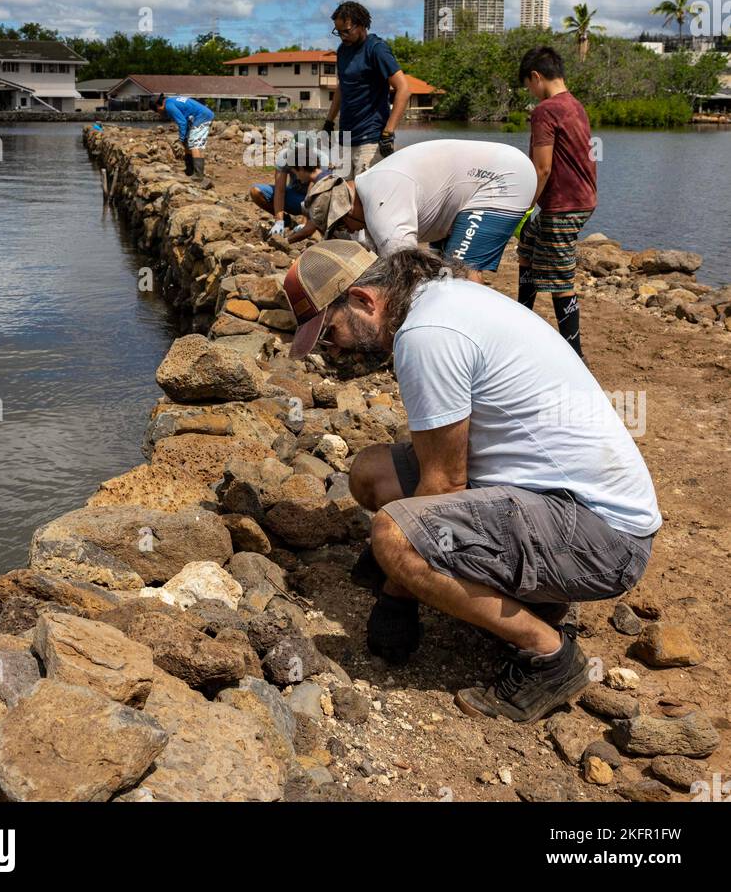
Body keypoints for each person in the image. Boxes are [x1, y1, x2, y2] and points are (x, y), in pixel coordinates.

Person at [282, 242, 661, 724]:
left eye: (329, 331)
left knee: (396, 537)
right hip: (562, 504)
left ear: (364, 299)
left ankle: (550, 656)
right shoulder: (441, 298)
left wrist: (398, 592)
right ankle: (526, 596)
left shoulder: (427, 333)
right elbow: (441, 458)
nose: (329, 349)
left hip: (604, 538)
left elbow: (444, 482)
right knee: (372, 472)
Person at [292, 139, 536, 274]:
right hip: (468, 188)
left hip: (501, 179)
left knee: (460, 275)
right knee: (443, 277)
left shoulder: (381, 204)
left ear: (347, 210)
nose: (346, 231)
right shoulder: (368, 189)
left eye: (342, 224)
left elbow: (407, 271)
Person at [517, 46, 598, 359]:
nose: (531, 93)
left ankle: (574, 354)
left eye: (529, 86)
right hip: (580, 199)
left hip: (564, 206)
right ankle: (521, 321)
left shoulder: (546, 110)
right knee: (527, 246)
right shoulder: (575, 105)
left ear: (536, 77)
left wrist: (523, 206)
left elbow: (542, 167)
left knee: (561, 279)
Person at [323, 1, 411, 177]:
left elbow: (404, 88)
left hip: (370, 138)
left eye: (346, 31)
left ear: (361, 25)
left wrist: (388, 131)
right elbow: (342, 87)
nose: (342, 36)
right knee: (341, 193)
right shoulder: (342, 50)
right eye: (338, 32)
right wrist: (329, 122)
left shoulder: (376, 49)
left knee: (365, 195)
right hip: (345, 136)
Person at [248, 134, 326, 236]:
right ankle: (286, 221)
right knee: (256, 191)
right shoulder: (284, 156)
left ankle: (312, 224)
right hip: (294, 197)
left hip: (315, 202)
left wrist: (305, 223)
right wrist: (279, 221)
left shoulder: (320, 159)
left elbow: (313, 193)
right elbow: (280, 190)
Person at [153, 92, 215, 181]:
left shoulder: (169, 106)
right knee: (188, 144)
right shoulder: (171, 101)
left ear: (158, 106)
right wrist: (184, 138)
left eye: (157, 111)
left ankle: (198, 175)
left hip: (202, 117)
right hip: (198, 117)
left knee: (195, 145)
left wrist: (181, 138)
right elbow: (185, 117)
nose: (159, 113)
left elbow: (182, 122)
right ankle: (190, 170)